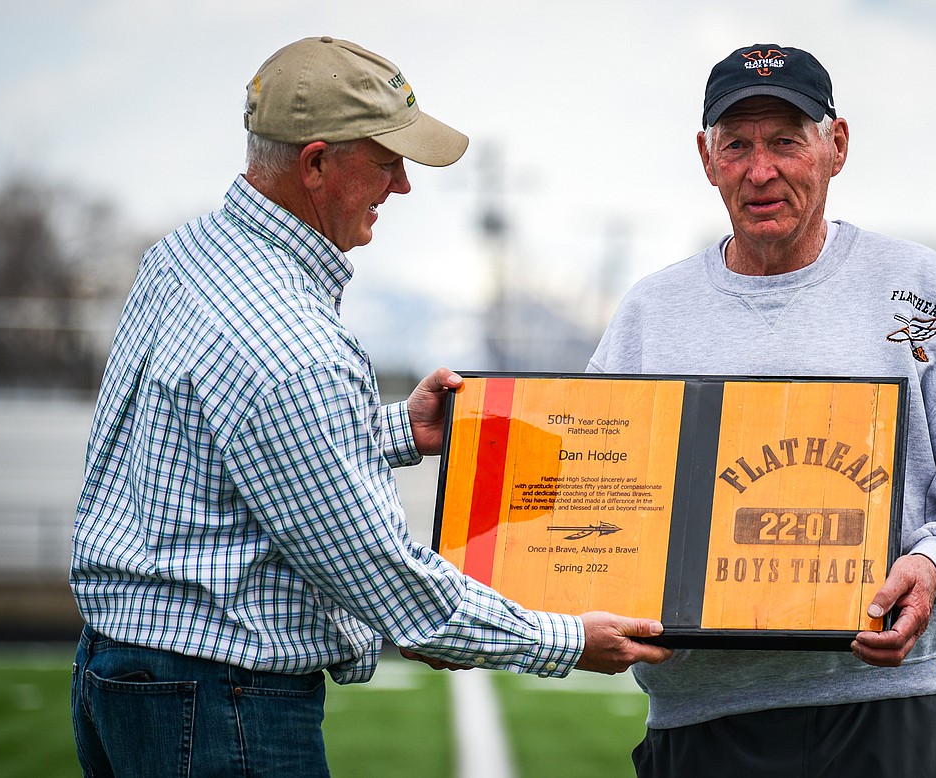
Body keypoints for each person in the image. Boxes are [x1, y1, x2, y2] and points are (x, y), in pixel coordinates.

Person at [69, 36, 670, 777]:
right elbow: (384, 579)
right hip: (222, 699)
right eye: (386, 159)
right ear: (317, 163)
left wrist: (393, 430)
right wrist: (569, 640)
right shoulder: (291, 343)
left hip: (122, 671)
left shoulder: (189, 254)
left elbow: (212, 448)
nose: (403, 185)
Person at [588, 43, 936, 777]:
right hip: (703, 714)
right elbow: (598, 485)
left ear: (836, 145)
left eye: (785, 141)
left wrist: (934, 563)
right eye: (736, 144)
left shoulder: (919, 290)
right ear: (706, 159)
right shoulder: (653, 310)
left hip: (889, 707)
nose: (759, 170)